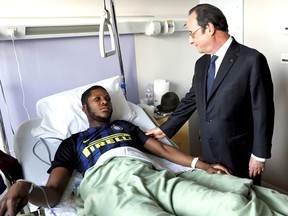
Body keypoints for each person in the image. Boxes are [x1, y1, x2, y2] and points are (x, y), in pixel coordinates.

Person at [0, 85, 231, 216]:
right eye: (97, 99)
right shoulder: (72, 142)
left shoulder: (126, 127)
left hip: (150, 175)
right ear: (84, 108)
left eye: (108, 98)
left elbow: (164, 151)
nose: (105, 102)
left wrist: (202, 165)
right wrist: (27, 187)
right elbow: (53, 192)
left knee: (225, 204)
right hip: (110, 184)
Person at [146, 3, 275, 185]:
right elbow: (192, 99)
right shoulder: (201, 65)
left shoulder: (251, 60)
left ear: (209, 28)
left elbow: (263, 111)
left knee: (246, 204)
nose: (190, 40)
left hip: (240, 152)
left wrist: (259, 155)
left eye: (192, 33)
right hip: (210, 150)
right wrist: (165, 128)